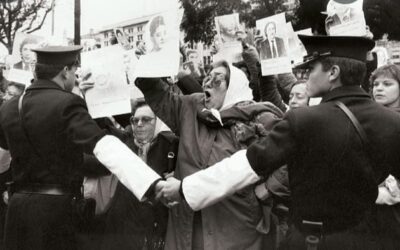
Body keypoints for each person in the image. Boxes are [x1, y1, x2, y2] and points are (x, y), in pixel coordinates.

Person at [161, 35, 400, 249]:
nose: (306, 75)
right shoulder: (392, 122)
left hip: (314, 239)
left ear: (333, 72)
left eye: (312, 68)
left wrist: (184, 188)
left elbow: (247, 165)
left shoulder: (304, 119)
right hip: (380, 236)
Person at [0, 45, 165, 250]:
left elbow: (2, 161)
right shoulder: (68, 103)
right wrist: (151, 183)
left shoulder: (7, 108)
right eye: (74, 71)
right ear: (66, 71)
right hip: (54, 213)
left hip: (17, 211)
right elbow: (103, 146)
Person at [135, 61, 288, 250]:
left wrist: (267, 189)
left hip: (236, 224)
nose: (207, 83)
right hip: (187, 225)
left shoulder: (258, 118)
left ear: (233, 87)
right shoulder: (190, 108)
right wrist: (153, 57)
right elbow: (157, 94)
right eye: (206, 78)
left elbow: (290, 158)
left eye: (216, 80)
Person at [100, 99, 177, 250]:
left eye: (146, 120)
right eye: (135, 120)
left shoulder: (170, 146)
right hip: (124, 222)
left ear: (158, 122)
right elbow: (101, 125)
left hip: (156, 224)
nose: (139, 124)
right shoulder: (126, 142)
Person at [370, 64, 400, 249]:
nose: (379, 88)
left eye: (387, 84)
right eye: (376, 84)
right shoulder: (365, 118)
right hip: (369, 209)